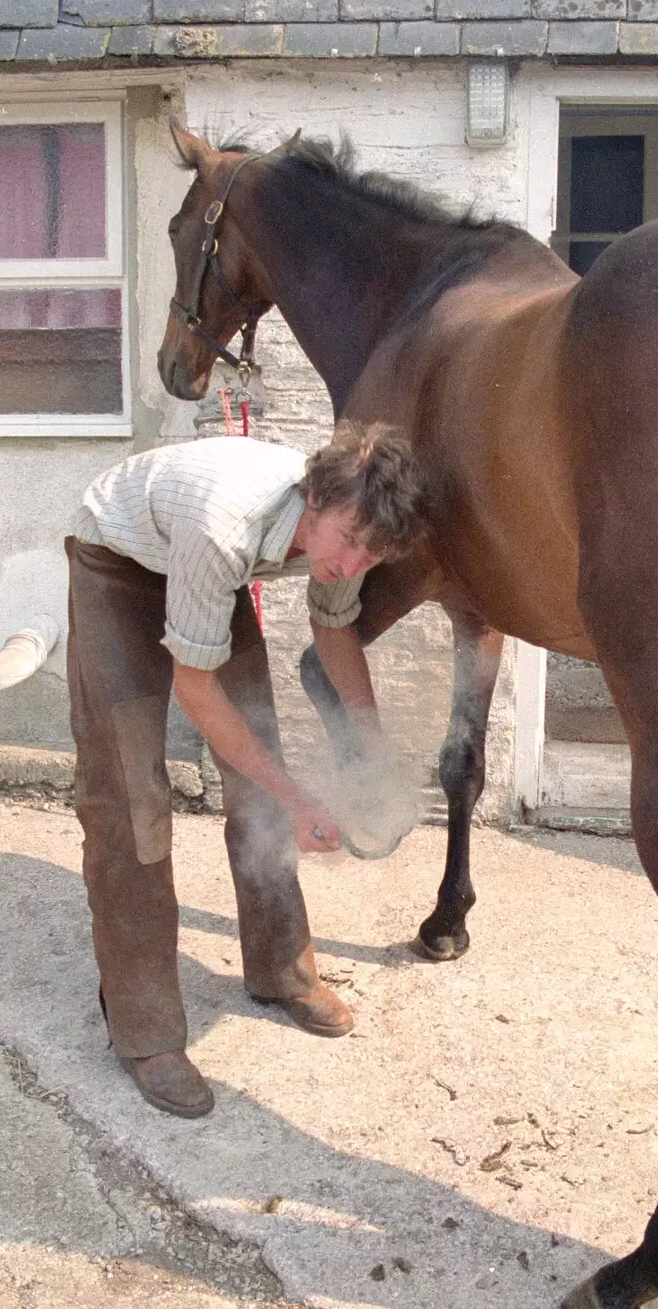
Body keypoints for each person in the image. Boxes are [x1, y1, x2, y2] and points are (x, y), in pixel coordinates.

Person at [65, 422, 427, 1119]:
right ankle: (145, 1031)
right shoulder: (222, 530)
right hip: (119, 561)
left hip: (203, 569)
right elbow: (196, 694)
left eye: (371, 553)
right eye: (348, 541)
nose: (353, 564)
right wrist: (299, 801)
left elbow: (334, 630)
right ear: (313, 499)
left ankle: (280, 973)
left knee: (259, 765)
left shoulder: (344, 538)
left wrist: (370, 754)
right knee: (129, 794)